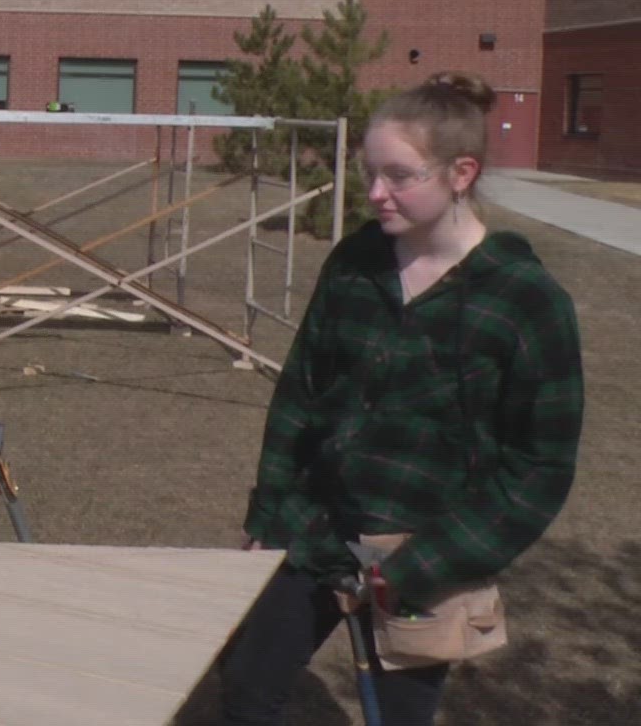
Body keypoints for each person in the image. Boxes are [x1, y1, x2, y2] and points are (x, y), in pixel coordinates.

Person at [222, 72, 584, 726]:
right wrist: (270, 512)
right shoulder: (357, 262)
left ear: (461, 172)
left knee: (398, 717)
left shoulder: (527, 302)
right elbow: (302, 392)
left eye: (398, 175)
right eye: (368, 173)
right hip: (313, 530)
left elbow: (539, 469)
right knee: (245, 688)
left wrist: (414, 570)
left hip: (424, 556)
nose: (375, 193)